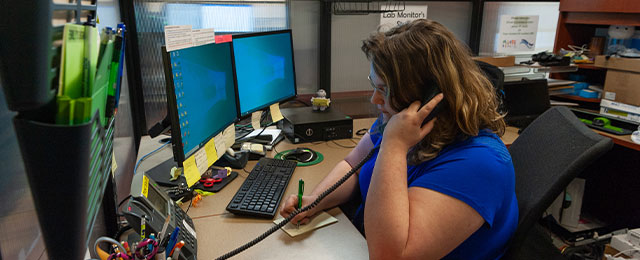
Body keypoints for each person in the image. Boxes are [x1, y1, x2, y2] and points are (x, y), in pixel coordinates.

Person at [280, 19, 518, 260]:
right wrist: (315, 201)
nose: (374, 99)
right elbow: (353, 165)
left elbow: (390, 255)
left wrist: (393, 147)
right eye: (375, 85)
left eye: (384, 90)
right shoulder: (400, 121)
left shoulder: (478, 163)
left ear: (429, 97)